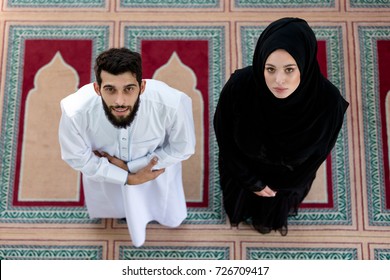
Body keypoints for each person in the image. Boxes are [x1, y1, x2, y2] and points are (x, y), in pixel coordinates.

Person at [213, 18, 349, 236]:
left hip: (285, 183)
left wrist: (280, 189)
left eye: (289, 70)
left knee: (270, 212)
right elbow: (224, 135)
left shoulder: (328, 104)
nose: (279, 80)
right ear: (260, 65)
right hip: (241, 171)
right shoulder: (239, 87)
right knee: (238, 201)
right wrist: (251, 182)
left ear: (304, 66)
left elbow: (317, 156)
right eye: (270, 69)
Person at [59, 47, 195, 247]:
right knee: (113, 204)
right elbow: (76, 157)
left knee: (161, 205)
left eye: (129, 89)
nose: (119, 101)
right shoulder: (75, 111)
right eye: (110, 89)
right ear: (97, 89)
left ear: (142, 87)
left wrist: (134, 167)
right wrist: (126, 178)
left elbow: (183, 147)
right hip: (105, 177)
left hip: (156, 174)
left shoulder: (171, 104)